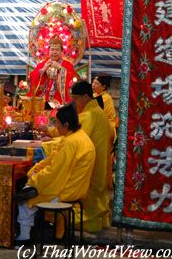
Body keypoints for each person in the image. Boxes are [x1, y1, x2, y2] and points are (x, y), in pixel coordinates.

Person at [14, 103, 96, 243]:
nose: (55, 127)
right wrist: (35, 170)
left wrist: (34, 180)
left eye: (57, 123)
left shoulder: (71, 142)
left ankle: (24, 237)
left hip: (66, 190)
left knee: (25, 201)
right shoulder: (77, 136)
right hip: (72, 186)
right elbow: (52, 160)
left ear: (66, 124)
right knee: (29, 189)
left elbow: (54, 172)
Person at [46, 81, 113, 233]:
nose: (74, 103)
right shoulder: (97, 111)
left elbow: (73, 135)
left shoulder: (90, 114)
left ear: (84, 97)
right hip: (99, 164)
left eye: (75, 99)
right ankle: (98, 221)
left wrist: (48, 140)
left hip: (91, 166)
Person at [28, 36, 76, 107]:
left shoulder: (68, 65)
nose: (54, 52)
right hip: (43, 99)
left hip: (60, 100)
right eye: (52, 49)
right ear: (49, 51)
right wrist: (43, 70)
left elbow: (72, 82)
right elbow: (32, 78)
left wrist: (61, 69)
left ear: (62, 52)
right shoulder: (42, 64)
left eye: (57, 50)